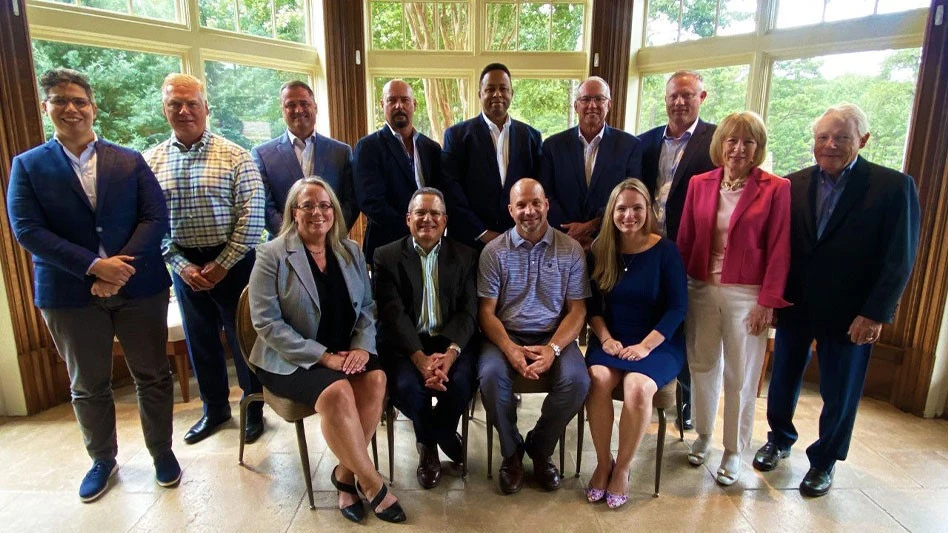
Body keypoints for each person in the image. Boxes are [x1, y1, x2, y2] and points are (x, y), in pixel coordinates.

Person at [7, 68, 179, 502]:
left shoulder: (128, 159)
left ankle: (162, 452)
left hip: (139, 287)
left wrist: (119, 269)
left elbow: (155, 216)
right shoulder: (27, 166)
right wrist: (92, 268)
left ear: (92, 107)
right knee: (88, 383)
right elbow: (26, 230)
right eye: (60, 100)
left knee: (154, 375)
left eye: (79, 100)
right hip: (68, 294)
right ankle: (102, 459)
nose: (71, 108)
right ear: (47, 107)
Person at [753, 104, 920, 497]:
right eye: (823, 137)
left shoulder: (893, 187)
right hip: (795, 304)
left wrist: (875, 313)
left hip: (851, 312)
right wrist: (772, 296)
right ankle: (779, 437)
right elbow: (779, 247)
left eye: (841, 137)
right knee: (783, 378)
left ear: (862, 140)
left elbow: (900, 258)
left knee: (840, 389)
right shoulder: (792, 184)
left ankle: (825, 461)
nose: (829, 145)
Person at [248, 177, 405, 524]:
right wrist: (323, 357)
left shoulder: (349, 250)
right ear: (294, 211)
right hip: (290, 358)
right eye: (308, 205)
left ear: (333, 211)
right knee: (337, 391)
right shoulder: (271, 255)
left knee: (377, 378)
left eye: (324, 205)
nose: (317, 212)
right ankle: (372, 483)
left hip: (346, 348)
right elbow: (267, 324)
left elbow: (366, 307)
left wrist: (362, 347)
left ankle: (345, 475)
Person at [145, 73, 266, 445]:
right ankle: (214, 409)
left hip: (234, 261)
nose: (184, 111)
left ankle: (253, 407)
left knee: (244, 338)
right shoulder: (150, 162)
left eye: (191, 103)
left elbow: (253, 213)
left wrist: (223, 263)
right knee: (201, 341)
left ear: (205, 108)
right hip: (184, 265)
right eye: (174, 104)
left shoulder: (235, 155)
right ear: (164, 109)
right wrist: (180, 265)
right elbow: (148, 221)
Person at [676, 111, 791, 486]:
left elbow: (779, 249)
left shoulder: (775, 188)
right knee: (702, 365)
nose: (738, 149)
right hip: (701, 289)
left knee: (740, 375)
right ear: (720, 144)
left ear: (757, 148)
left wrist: (768, 302)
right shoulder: (699, 183)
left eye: (748, 142)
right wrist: (679, 291)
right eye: (732, 140)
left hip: (748, 295)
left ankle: (733, 450)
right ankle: (705, 436)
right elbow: (686, 241)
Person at [477, 178, 590, 494]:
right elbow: (486, 312)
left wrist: (553, 348)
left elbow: (577, 311)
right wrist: (510, 348)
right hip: (505, 333)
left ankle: (540, 447)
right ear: (510, 210)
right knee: (489, 377)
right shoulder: (493, 252)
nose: (529, 211)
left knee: (578, 381)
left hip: (554, 334)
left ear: (547, 205)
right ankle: (511, 452)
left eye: (535, 203)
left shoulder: (570, 250)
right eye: (521, 205)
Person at [584, 178, 687, 508]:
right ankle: (603, 463)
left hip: (658, 342)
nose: (629, 215)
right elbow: (593, 308)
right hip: (611, 338)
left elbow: (677, 308)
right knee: (597, 379)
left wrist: (645, 346)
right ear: (612, 211)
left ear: (649, 211)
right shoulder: (601, 248)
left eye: (637, 208)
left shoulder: (666, 250)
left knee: (638, 388)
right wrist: (606, 338)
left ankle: (623, 469)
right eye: (622, 208)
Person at [373, 188, 478, 489]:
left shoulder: (466, 255)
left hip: (451, 343)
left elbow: (468, 312)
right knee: (408, 389)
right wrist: (420, 359)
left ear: (445, 221)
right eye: (420, 213)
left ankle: (436, 434)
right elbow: (393, 315)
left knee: (460, 384)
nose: (427, 219)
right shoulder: (386, 256)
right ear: (408, 219)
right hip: (405, 344)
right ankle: (433, 444)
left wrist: (451, 354)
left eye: (435, 214)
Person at [638, 70, 718, 430]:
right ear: (665, 98)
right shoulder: (646, 141)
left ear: (702, 97)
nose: (680, 101)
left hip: (692, 249)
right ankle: (652, 375)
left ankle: (686, 401)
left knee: (688, 324)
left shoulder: (717, 140)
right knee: (656, 313)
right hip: (648, 247)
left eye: (688, 95)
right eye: (673, 95)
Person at [442, 63, 543, 246]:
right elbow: (450, 190)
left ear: (512, 93)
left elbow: (538, 190)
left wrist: (520, 233)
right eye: (490, 89)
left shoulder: (531, 137)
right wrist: (482, 233)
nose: (497, 94)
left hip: (519, 242)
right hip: (469, 243)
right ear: (480, 94)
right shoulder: (456, 136)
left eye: (503, 88)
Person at [539, 77, 642, 251]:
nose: (592, 105)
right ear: (576, 106)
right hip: (563, 240)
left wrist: (592, 225)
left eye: (599, 99)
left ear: (609, 105)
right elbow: (545, 193)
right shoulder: (553, 145)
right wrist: (571, 230)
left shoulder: (630, 146)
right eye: (585, 99)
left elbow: (632, 195)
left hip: (611, 241)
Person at [251, 80, 357, 236]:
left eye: (304, 103)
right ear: (282, 110)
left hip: (332, 246)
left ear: (315, 107)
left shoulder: (341, 152)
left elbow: (351, 202)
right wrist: (295, 238)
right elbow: (265, 206)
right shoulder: (262, 155)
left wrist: (329, 234)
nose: (298, 110)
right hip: (283, 250)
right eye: (290, 105)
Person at [354, 79, 442, 263]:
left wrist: (428, 230)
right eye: (391, 100)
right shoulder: (368, 147)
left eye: (404, 100)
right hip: (387, 246)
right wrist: (414, 228)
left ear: (414, 105)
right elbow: (370, 202)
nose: (398, 106)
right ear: (382, 105)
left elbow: (441, 195)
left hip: (430, 244)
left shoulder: (431, 148)